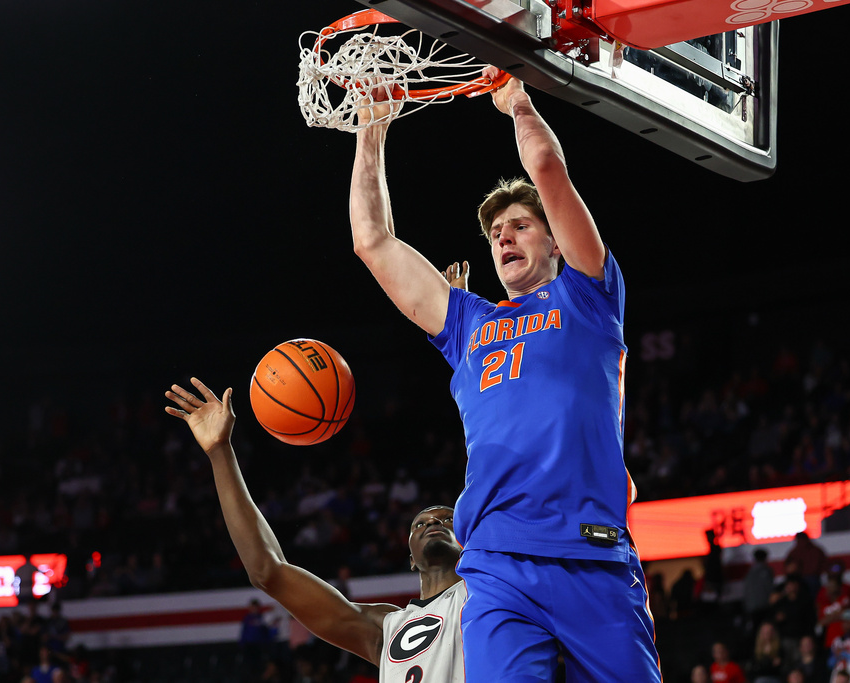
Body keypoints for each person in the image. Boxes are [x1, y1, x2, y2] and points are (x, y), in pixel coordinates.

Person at [348, 67, 661, 682]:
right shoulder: (469, 323)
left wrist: (518, 103)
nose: (504, 237)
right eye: (495, 232)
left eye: (520, 225)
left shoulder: (588, 296)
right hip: (497, 564)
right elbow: (372, 242)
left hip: (591, 554)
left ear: (555, 241)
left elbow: (546, 166)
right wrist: (371, 134)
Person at [164, 378, 466, 681]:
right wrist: (219, 451)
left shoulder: (485, 590)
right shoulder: (386, 626)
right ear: (411, 558)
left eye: (447, 520)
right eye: (420, 524)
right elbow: (267, 571)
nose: (432, 523)